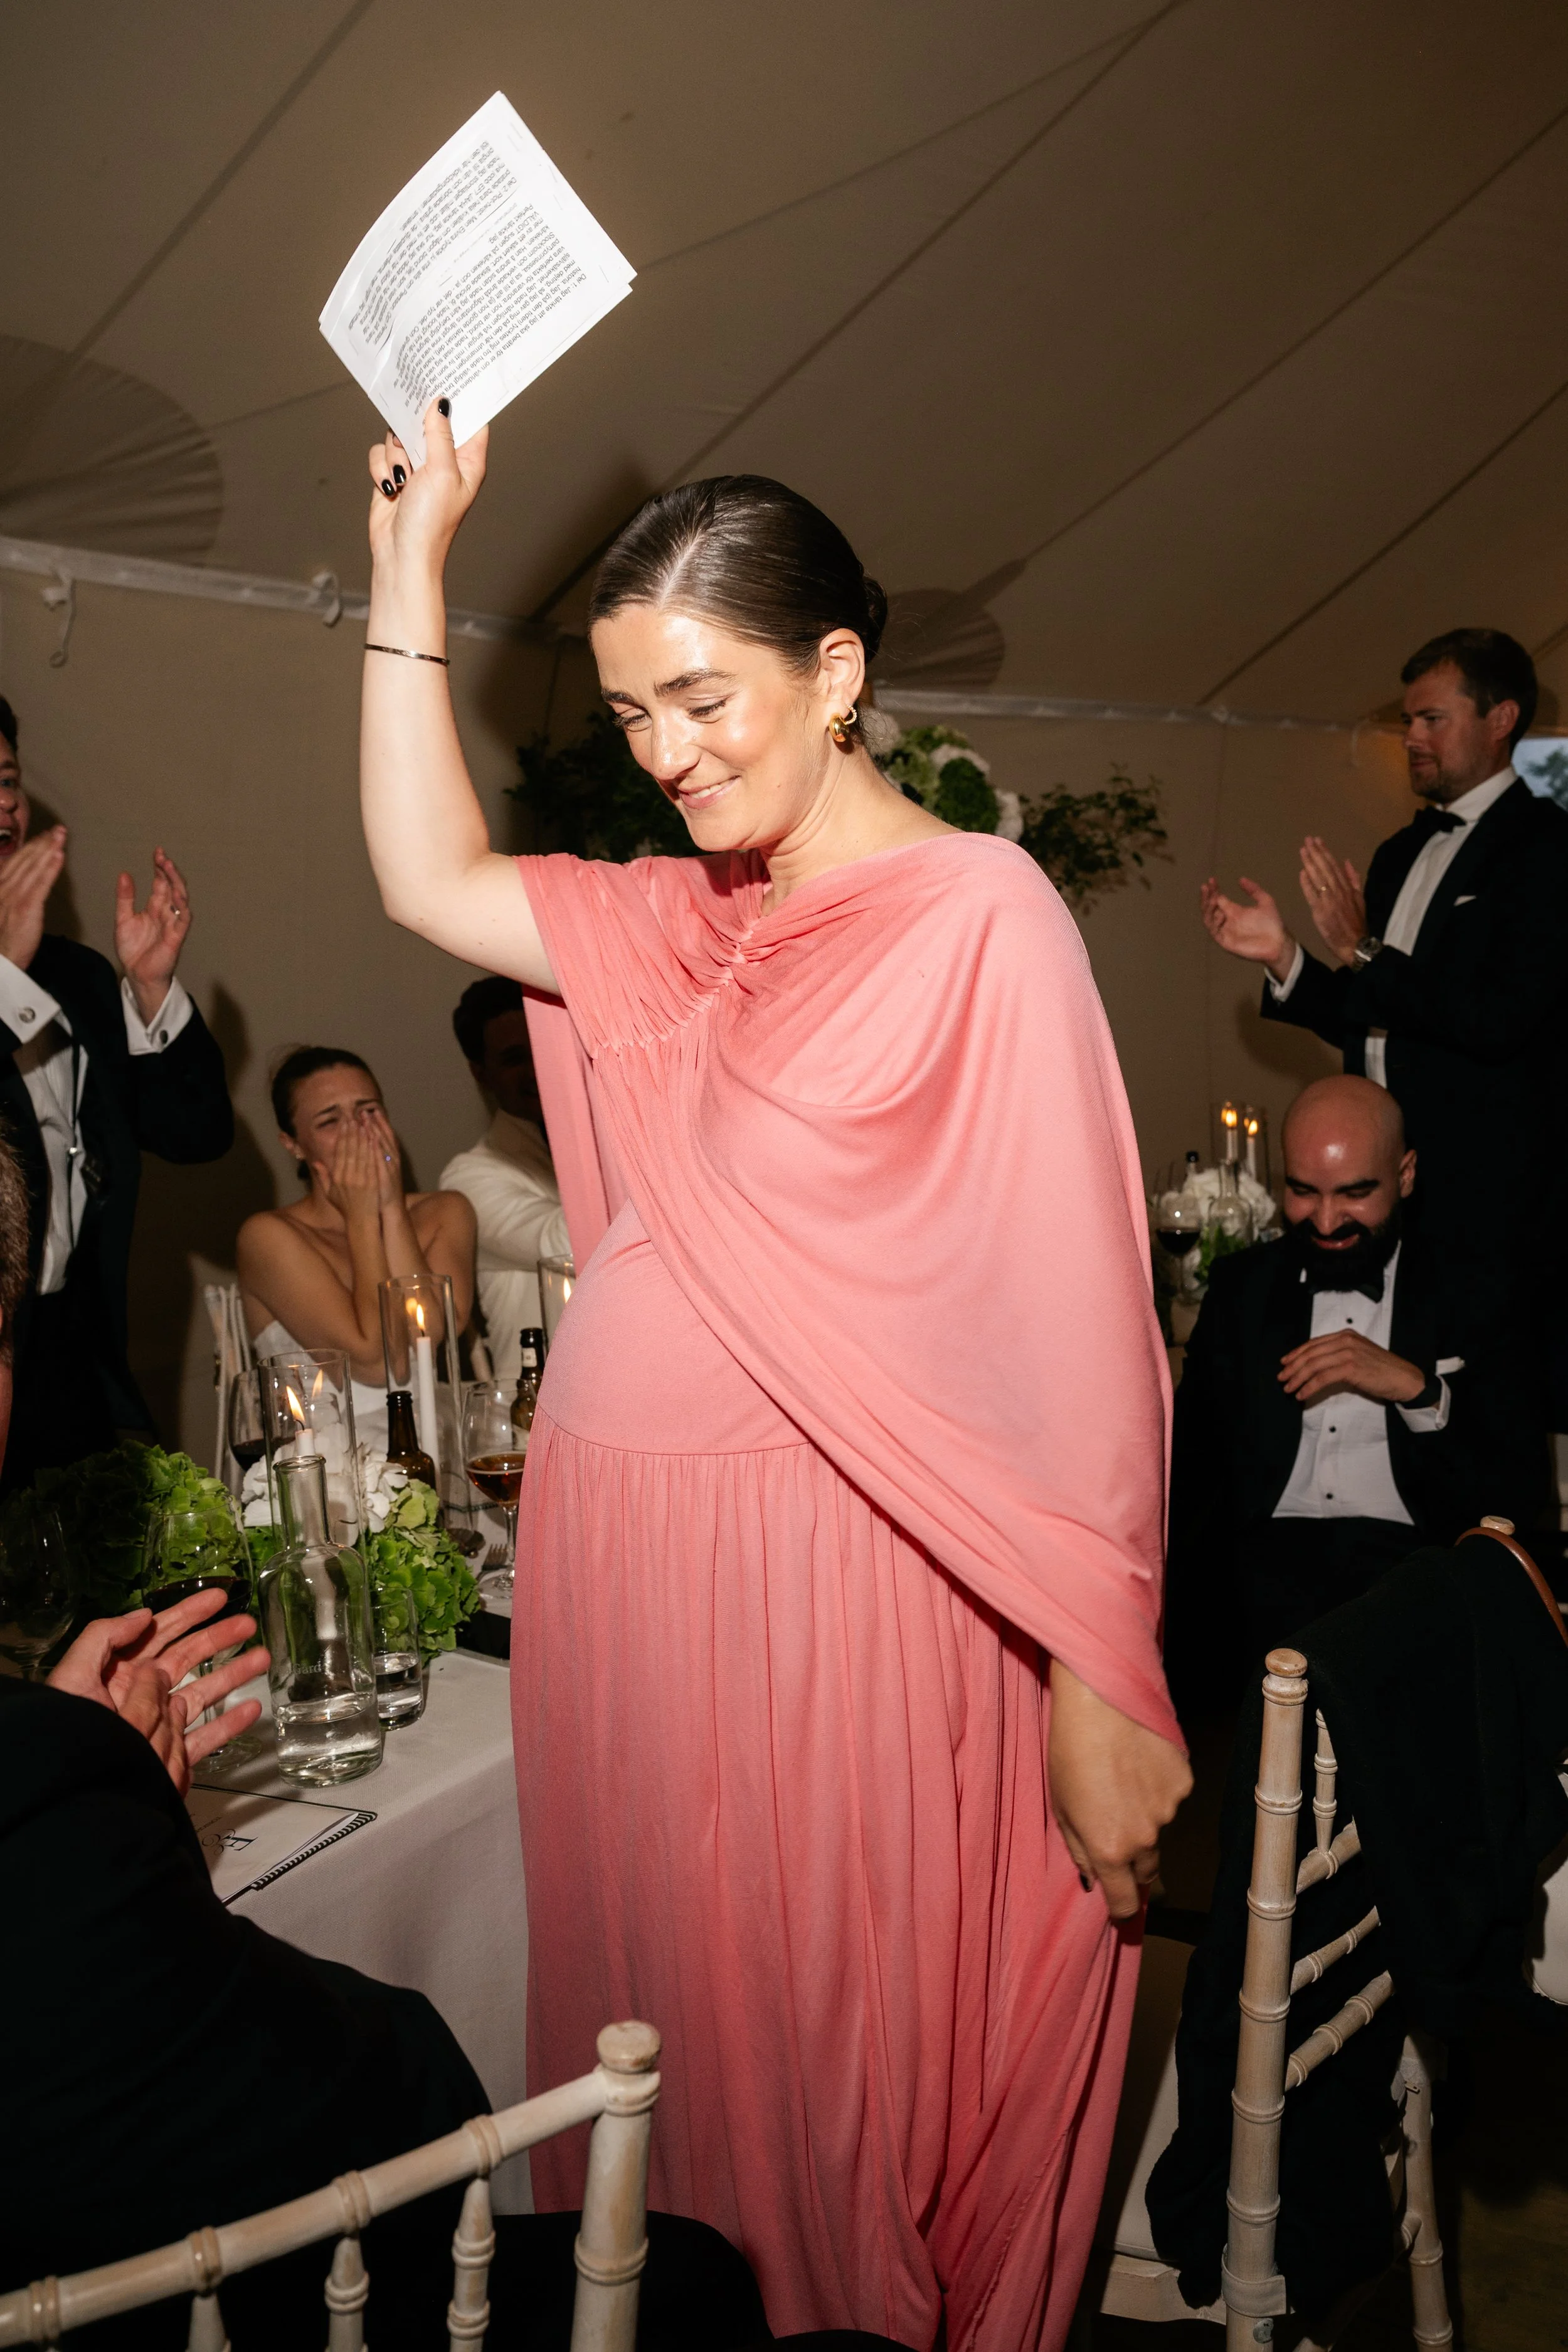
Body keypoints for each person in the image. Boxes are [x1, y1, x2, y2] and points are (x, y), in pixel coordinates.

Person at [356, 402, 1190, 2351]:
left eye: (704, 697)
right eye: (635, 711)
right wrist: (408, 565)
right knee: (662, 2064)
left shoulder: (982, 916)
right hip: (620, 1597)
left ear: (837, 671)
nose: (666, 754)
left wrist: (1094, 1662)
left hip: (831, 1597)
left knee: (821, 2065)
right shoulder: (665, 924)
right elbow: (422, 870)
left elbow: (1076, 1320)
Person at [1165, 1074, 1547, 1712]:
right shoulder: (1242, 1290)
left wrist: (1417, 1389)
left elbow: (1520, 1485)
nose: (1324, 1219)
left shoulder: (1476, 1291)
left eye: (1355, 1193)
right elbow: (1189, 1466)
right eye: (1301, 1191)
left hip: (1412, 1562)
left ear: (1404, 1175)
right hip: (1265, 1571)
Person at [1199, 629, 1568, 1279]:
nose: (1411, 739)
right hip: (1380, 1190)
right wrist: (1285, 958)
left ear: (1500, 719)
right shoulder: (1399, 853)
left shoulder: (1545, 849)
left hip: (1488, 1190)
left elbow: (1497, 1022)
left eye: (1432, 719)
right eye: (1406, 721)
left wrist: (1363, 947)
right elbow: (1372, 1009)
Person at [0, 694, 233, 1489]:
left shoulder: (78, 976)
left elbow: (196, 1134)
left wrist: (151, 991)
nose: (3, 802)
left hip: (78, 1363)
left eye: (7, 779)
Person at [235, 1046, 475, 1451]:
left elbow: (430, 1336)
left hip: (437, 1438)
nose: (357, 1131)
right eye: (330, 1120)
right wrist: (362, 1220)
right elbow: (380, 1365)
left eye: (369, 1111)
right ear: (293, 1144)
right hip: (331, 1460)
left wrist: (392, 1209)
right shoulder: (267, 1236)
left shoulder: (446, 1211)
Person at [440, 974, 569, 1379]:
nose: (537, 1069)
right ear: (481, 1073)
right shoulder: (469, 1176)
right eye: (516, 1058)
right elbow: (568, 1242)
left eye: (542, 1048)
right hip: (536, 1410)